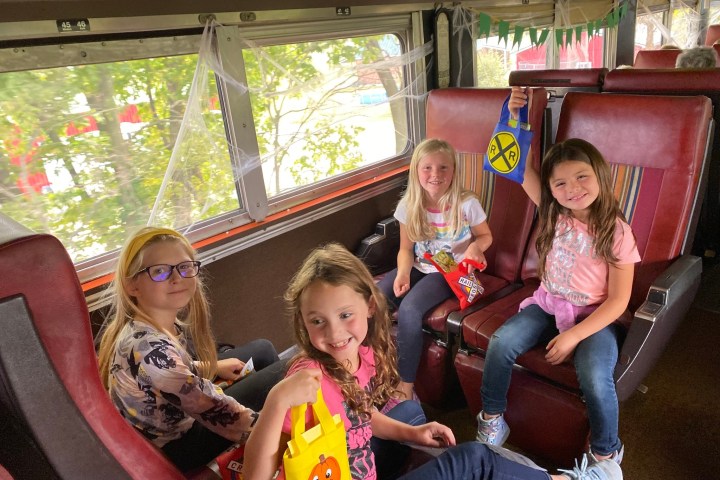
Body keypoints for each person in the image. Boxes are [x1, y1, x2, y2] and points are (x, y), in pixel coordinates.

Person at [243, 242, 623, 480]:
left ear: (370, 307)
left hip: (355, 465)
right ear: (302, 323)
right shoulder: (306, 382)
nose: (334, 333)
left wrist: (413, 434)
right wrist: (277, 401)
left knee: (409, 411)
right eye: (317, 322)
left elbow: (353, 417)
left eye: (345, 315)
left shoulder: (362, 357)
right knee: (474, 459)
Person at [476, 87, 640, 468]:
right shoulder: (553, 213)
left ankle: (605, 454)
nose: (573, 190)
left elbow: (617, 301)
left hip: (594, 316)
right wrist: (515, 115)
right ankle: (492, 419)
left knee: (595, 376)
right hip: (549, 303)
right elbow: (515, 165)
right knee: (501, 342)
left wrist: (574, 336)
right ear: (550, 190)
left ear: (600, 176)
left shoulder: (616, 232)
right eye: (560, 184)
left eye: (582, 177)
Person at [97, 226, 285, 472]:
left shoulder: (148, 326)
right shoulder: (149, 350)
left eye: (185, 267)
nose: (177, 278)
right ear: (132, 285)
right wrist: (273, 427)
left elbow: (170, 372)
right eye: (160, 271)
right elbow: (218, 410)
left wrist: (211, 366)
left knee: (262, 349)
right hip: (177, 447)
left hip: (177, 411)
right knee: (283, 372)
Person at [378, 138, 492, 400]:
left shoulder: (466, 204)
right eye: (427, 168)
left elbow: (486, 236)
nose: (435, 175)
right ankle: (372, 368)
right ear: (416, 171)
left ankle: (405, 385)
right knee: (375, 300)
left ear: (454, 171)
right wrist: (403, 273)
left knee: (410, 309)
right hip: (420, 263)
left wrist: (476, 247)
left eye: (443, 168)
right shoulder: (409, 206)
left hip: (450, 269)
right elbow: (406, 250)